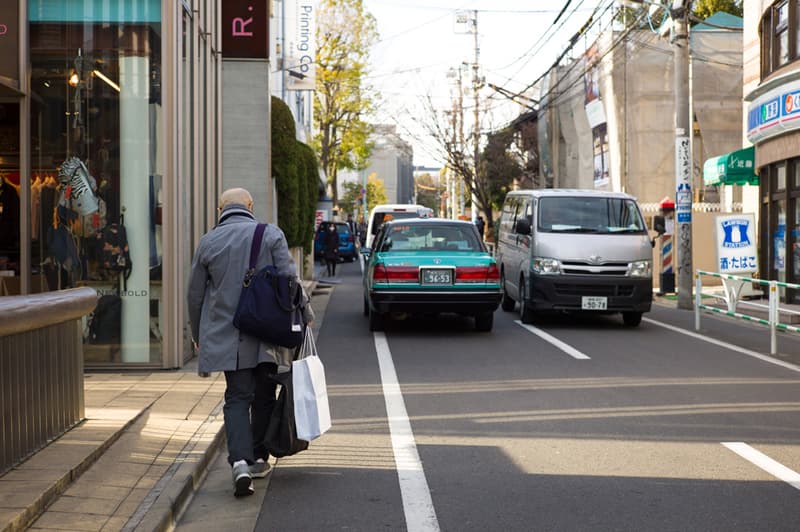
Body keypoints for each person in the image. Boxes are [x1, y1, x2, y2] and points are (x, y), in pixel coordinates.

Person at [187, 188, 313, 497]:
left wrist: (197, 335)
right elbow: (290, 280)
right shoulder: (270, 234)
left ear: (220, 209)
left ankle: (240, 463)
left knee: (237, 397)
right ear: (250, 206)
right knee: (264, 394)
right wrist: (306, 314)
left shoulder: (208, 242)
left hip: (227, 335)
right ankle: (258, 457)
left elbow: (195, 295)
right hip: (267, 333)